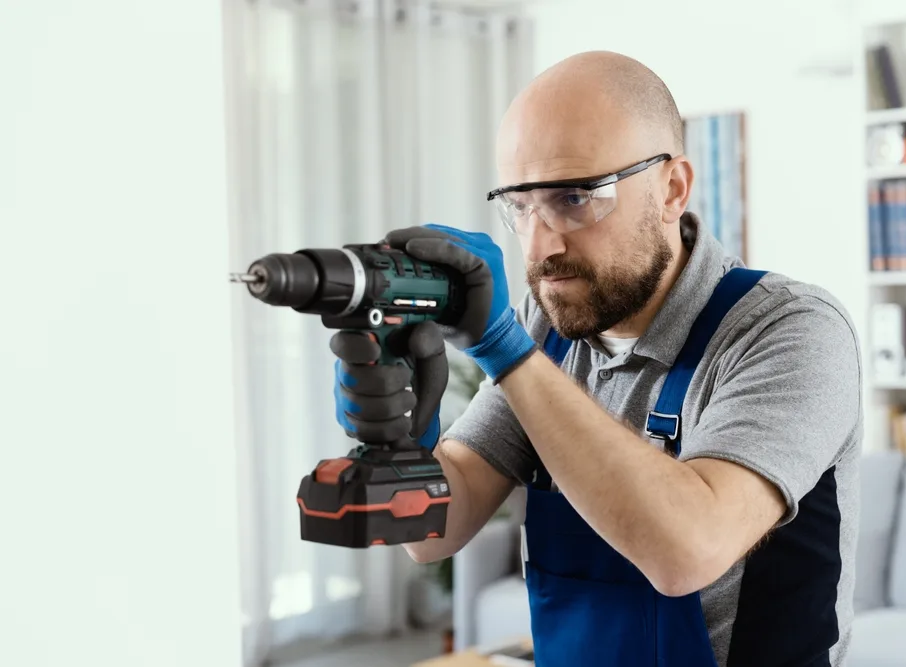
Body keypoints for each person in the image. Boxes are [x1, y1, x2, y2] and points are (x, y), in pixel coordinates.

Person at [331, 50, 862, 667]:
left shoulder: (789, 329)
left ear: (672, 188)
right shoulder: (547, 331)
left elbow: (685, 550)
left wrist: (506, 350)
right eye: (520, 205)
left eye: (576, 198)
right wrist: (398, 440)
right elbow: (433, 533)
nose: (540, 245)